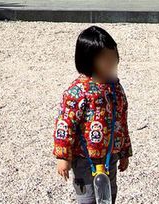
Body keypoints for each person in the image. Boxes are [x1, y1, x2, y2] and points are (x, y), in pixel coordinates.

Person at [53, 26, 131, 204]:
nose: (112, 62)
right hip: (84, 159)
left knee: (108, 195)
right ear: (89, 60)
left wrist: (124, 150)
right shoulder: (78, 92)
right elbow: (65, 124)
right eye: (105, 59)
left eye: (114, 56)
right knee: (87, 197)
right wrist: (63, 157)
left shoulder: (115, 88)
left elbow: (121, 120)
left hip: (110, 155)